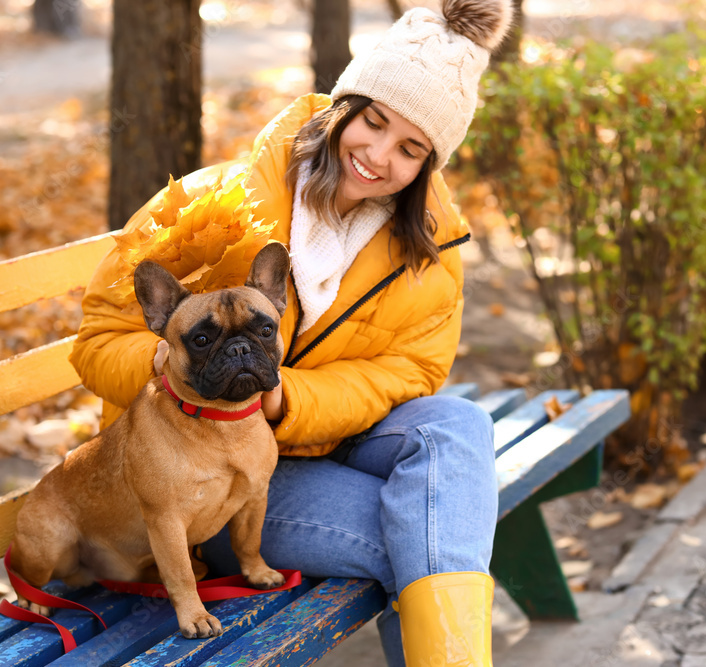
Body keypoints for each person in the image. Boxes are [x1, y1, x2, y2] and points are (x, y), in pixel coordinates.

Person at [69, 1, 514, 664]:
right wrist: (188, 371)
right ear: (346, 105)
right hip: (208, 480)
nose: (378, 154)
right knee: (428, 530)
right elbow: (98, 339)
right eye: (374, 121)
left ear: (428, 165)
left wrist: (289, 400)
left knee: (458, 427)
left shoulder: (429, 249)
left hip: (333, 441)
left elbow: (412, 374)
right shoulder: (211, 205)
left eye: (411, 149)